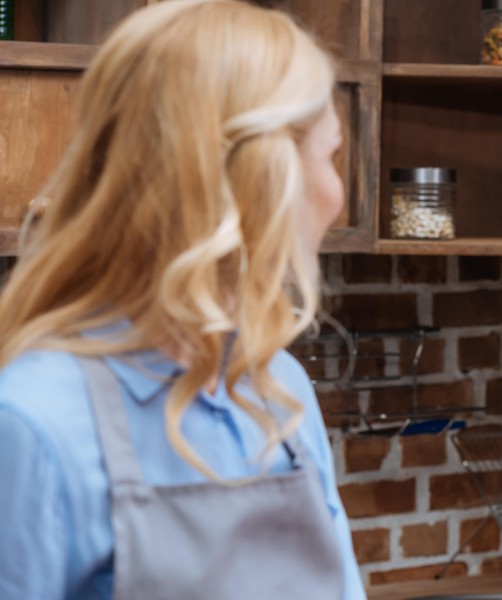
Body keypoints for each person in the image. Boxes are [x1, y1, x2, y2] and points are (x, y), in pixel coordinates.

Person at [0, 1, 366, 598]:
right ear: (263, 177)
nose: (337, 191)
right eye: (329, 156)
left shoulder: (280, 390)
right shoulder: (31, 424)